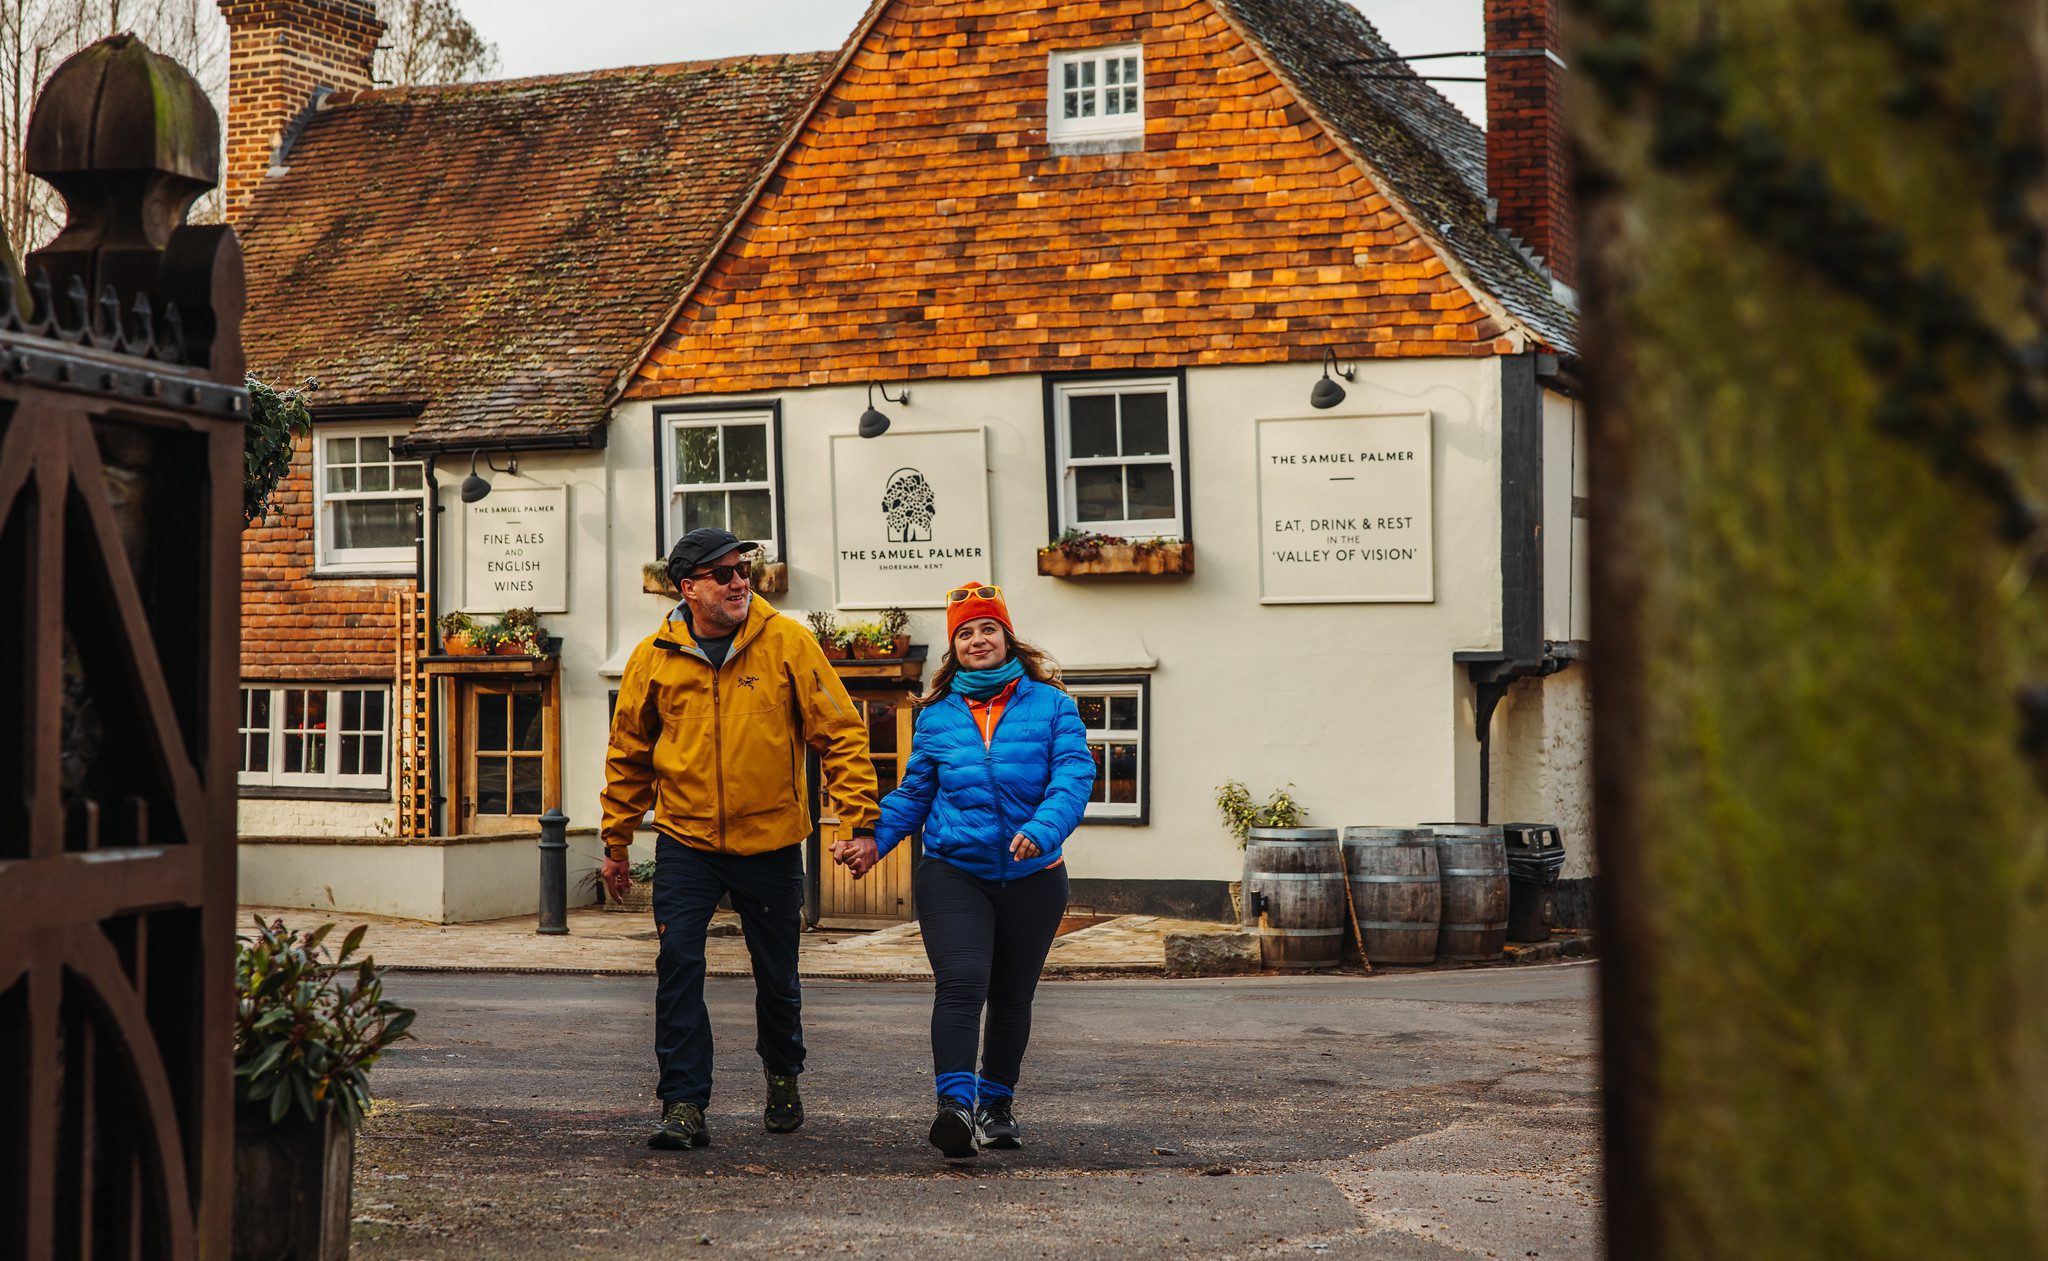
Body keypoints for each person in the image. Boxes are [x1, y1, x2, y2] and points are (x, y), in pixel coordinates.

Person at [602, 526, 878, 1151]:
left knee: (776, 975)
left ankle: (782, 1075)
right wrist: (617, 844)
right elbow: (629, 755)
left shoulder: (788, 642)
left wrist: (857, 820)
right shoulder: (653, 657)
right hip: (685, 840)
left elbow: (840, 733)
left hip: (772, 841)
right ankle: (682, 1104)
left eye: (742, 570)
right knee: (678, 967)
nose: (738, 581)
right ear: (688, 588)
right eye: (722, 573)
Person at [833, 583, 1094, 1159]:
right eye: (965, 633)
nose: (978, 639)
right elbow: (914, 792)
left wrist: (1044, 828)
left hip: (1034, 873)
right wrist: (874, 841)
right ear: (955, 648)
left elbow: (1073, 778)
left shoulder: (1053, 705)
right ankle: (953, 1106)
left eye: (987, 629)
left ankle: (996, 1107)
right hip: (955, 871)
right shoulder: (937, 717)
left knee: (1011, 995)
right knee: (962, 982)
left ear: (1007, 638)